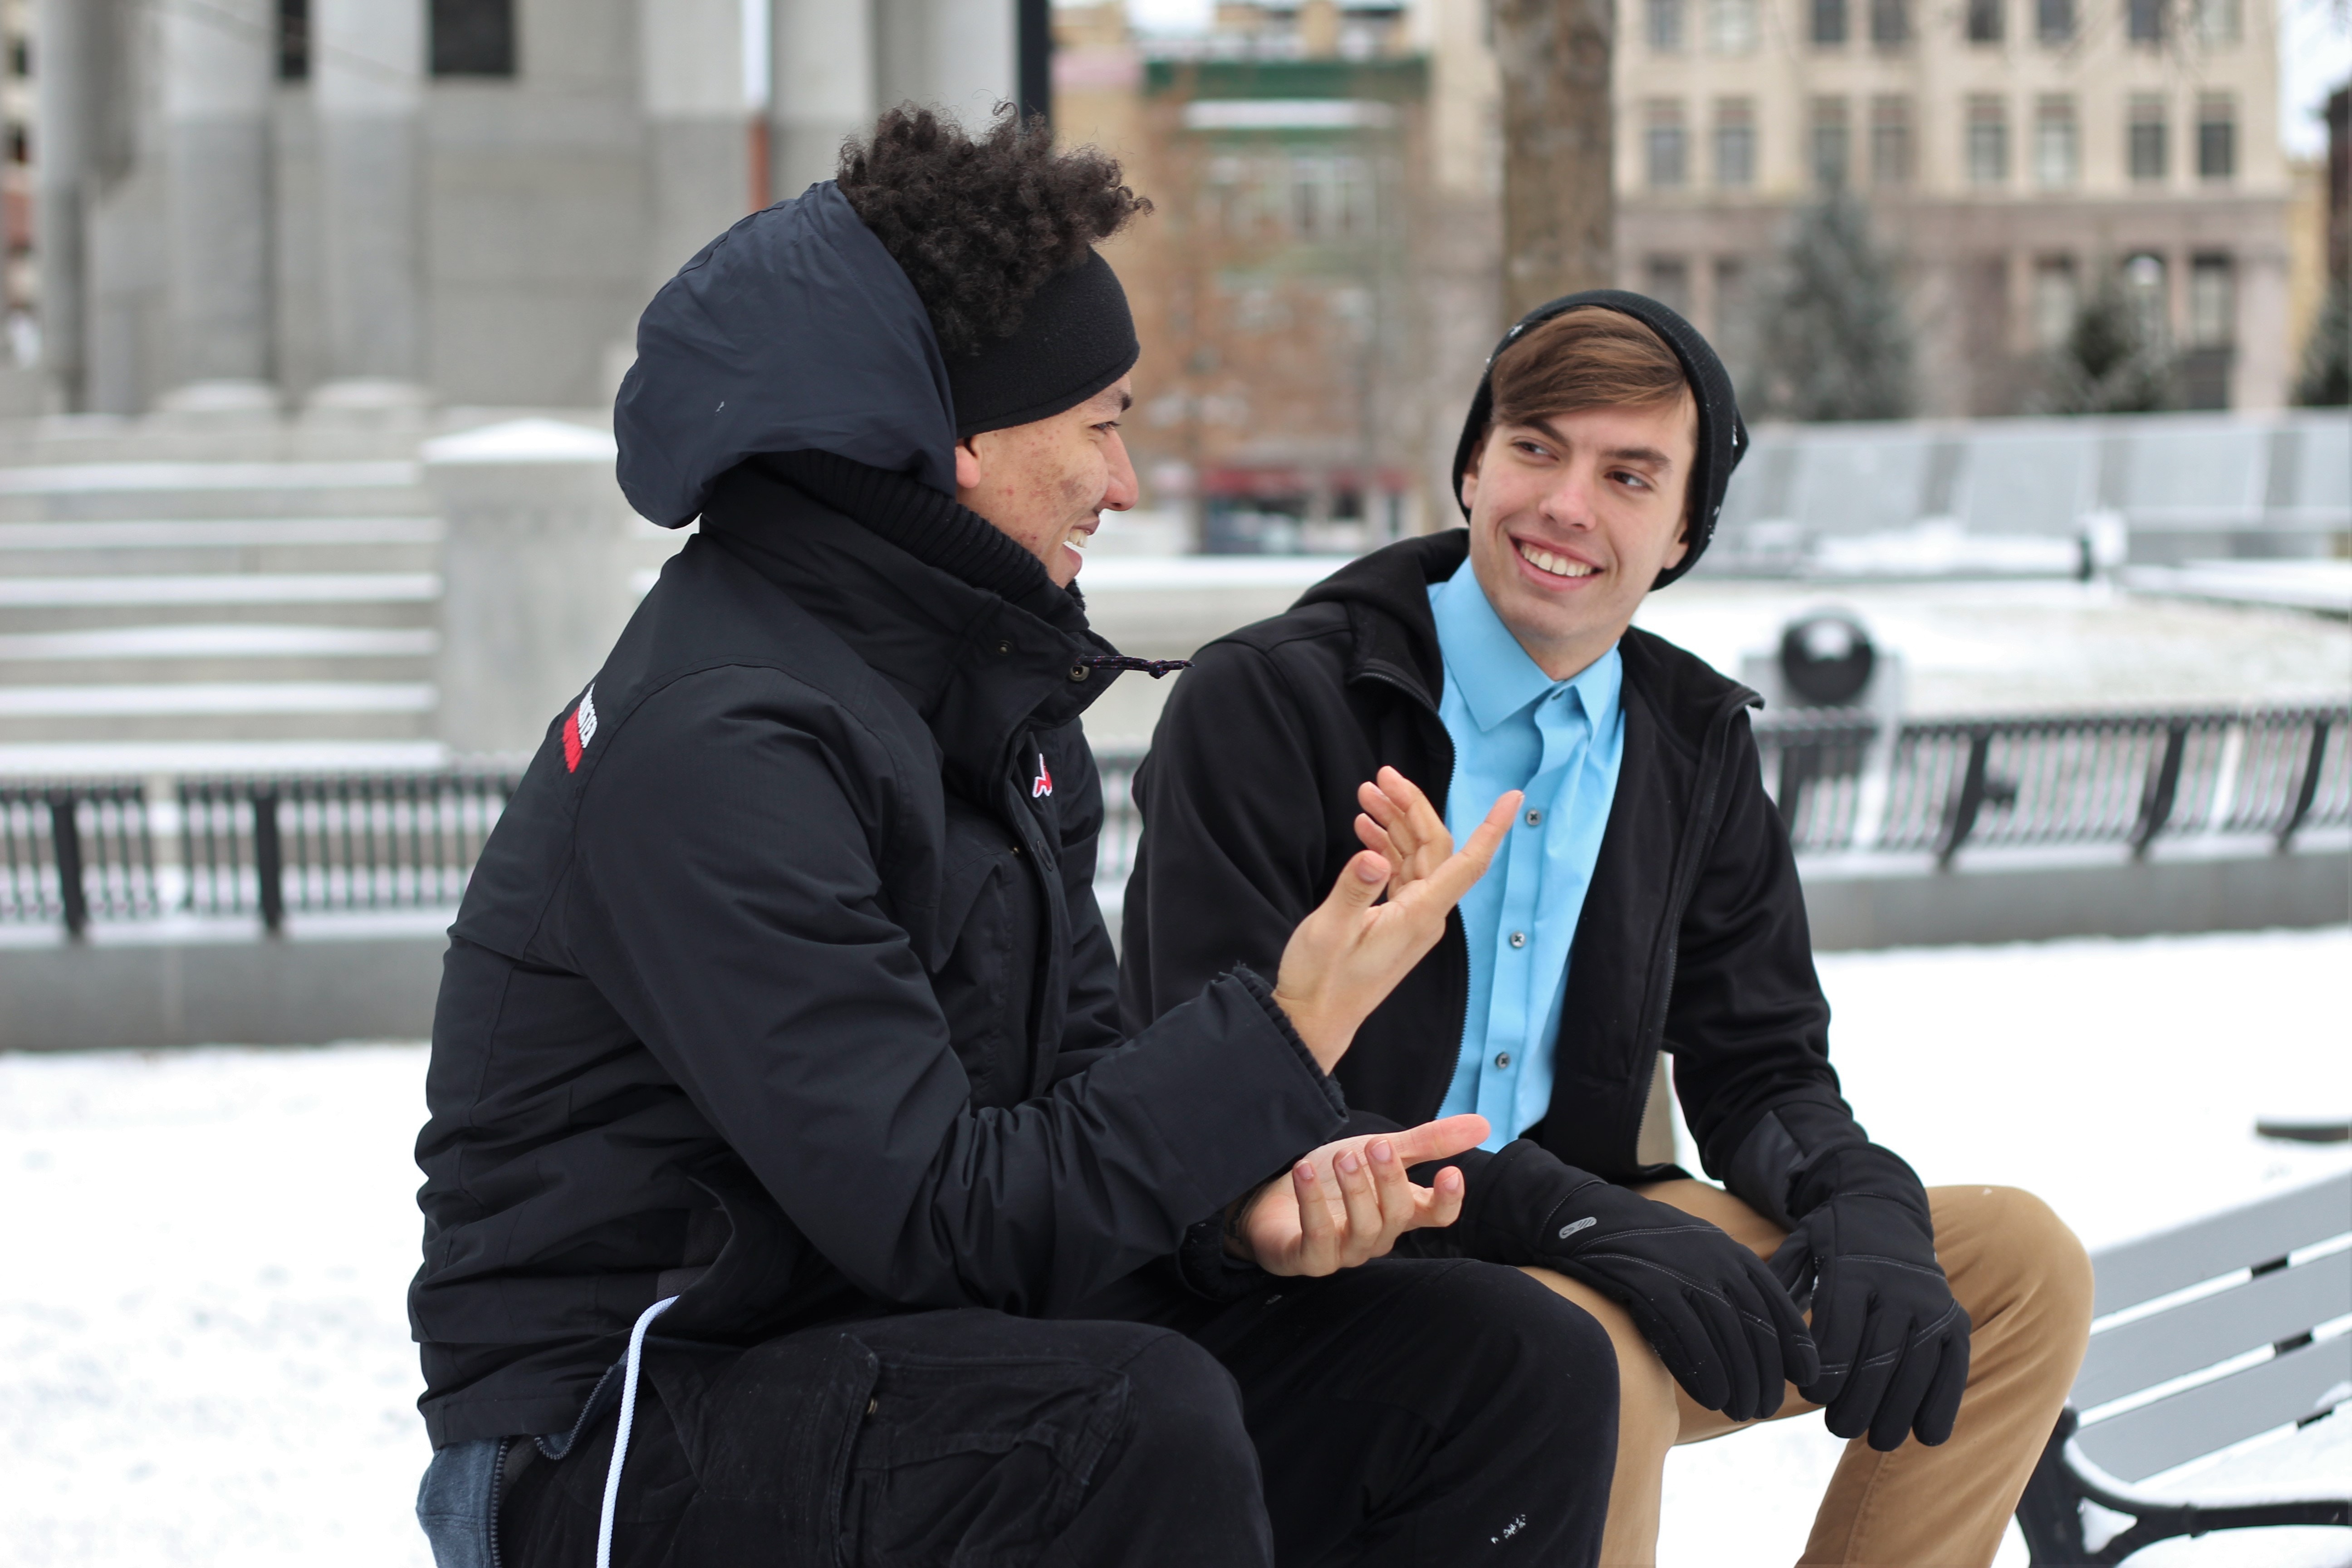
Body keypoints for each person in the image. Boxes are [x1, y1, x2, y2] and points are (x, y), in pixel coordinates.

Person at [408, 109, 1627, 1568]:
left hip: (911, 1355)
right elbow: (935, 1212)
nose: (1126, 480)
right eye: (1103, 421)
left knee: (1506, 1366)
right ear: (960, 445)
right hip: (617, 1433)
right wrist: (1286, 1030)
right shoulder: (725, 739)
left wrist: (1244, 1215)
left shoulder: (986, 697)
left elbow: (1062, 1112)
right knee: (1123, 1422)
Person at [1118, 294, 2097, 1567]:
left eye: (1629, 474)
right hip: (1331, 1261)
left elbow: (1761, 1062)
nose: (1568, 506)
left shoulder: (1689, 743)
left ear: (1684, 528)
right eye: (1537, 447)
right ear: (1473, 463)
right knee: (1590, 1356)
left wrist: (1857, 1201)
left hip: (1596, 1234)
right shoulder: (1278, 700)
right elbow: (1213, 1083)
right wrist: (1569, 1217)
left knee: (2015, 1268)